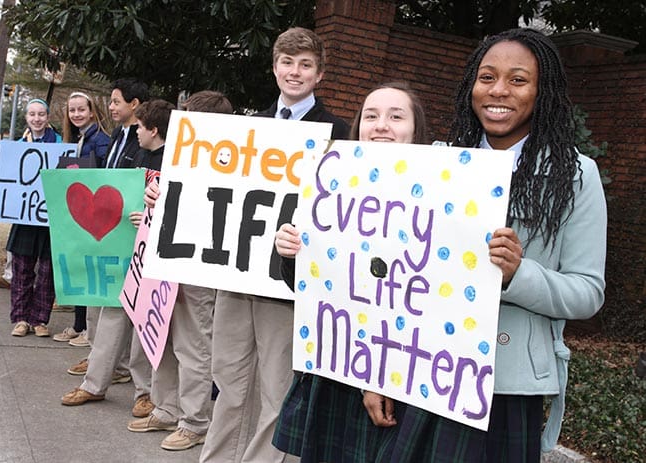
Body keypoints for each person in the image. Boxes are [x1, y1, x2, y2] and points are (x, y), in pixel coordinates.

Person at [359, 28, 607, 462]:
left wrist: (518, 274)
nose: (499, 91)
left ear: (541, 91)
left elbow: (588, 292)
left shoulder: (576, 176)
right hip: (426, 370)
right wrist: (380, 373)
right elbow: (394, 278)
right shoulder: (436, 163)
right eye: (487, 77)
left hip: (505, 388)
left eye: (518, 80)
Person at [198, 27, 350, 463]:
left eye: (305, 64)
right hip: (234, 273)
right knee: (227, 378)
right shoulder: (249, 128)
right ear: (274, 66)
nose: (295, 72)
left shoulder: (338, 132)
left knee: (276, 388)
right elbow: (210, 189)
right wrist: (170, 198)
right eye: (287, 62)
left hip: (285, 282)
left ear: (319, 74)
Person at [271, 82, 428, 462]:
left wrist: (380, 378)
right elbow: (311, 287)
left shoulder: (439, 192)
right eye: (371, 116)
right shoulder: (331, 183)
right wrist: (291, 253)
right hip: (339, 366)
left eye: (395, 116)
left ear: (416, 128)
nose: (381, 125)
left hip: (403, 373)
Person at [127, 91, 231, 452]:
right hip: (167, 257)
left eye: (190, 117)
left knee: (192, 345)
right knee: (162, 336)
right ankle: (166, 407)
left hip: (197, 265)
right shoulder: (182, 155)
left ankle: (195, 420)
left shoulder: (227, 162)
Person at [61, 78, 155, 418]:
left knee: (134, 313)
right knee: (107, 309)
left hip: (135, 238)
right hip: (109, 233)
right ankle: (99, 378)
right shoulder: (117, 136)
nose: (111, 107)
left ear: (135, 104)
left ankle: (140, 390)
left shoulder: (149, 143)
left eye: (116, 102)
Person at [52, 91, 111, 344]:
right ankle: (78, 324)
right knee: (77, 266)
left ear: (92, 110)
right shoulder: (76, 137)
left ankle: (89, 330)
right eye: (72, 110)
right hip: (78, 211)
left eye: (81, 110)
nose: (76, 114)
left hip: (95, 213)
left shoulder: (100, 139)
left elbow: (101, 172)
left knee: (88, 269)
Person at [4, 98, 62, 337]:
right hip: (25, 218)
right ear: (26, 117)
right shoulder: (17, 146)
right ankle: (20, 318)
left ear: (48, 117)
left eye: (41, 114)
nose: (37, 118)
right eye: (32, 114)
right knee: (22, 270)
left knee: (48, 272)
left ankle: (39, 319)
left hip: (50, 219)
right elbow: (3, 172)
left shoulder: (61, 144)